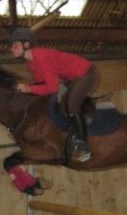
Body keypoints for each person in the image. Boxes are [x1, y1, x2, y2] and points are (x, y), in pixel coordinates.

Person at [9, 27, 98, 162]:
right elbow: (40, 85)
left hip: (86, 74)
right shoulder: (30, 64)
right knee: (58, 102)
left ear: (26, 44)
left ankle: (83, 146)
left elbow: (51, 88)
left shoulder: (41, 56)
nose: (12, 48)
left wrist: (28, 88)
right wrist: (26, 90)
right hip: (72, 79)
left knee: (71, 104)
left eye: (15, 45)